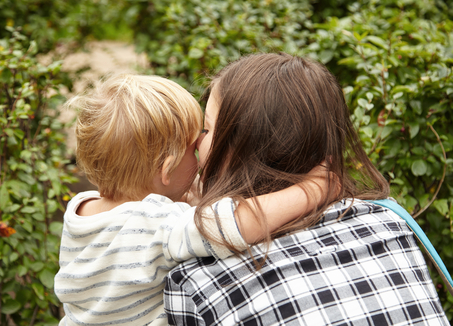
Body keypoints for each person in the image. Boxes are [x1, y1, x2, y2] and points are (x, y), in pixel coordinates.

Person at [164, 53, 449, 325]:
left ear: (243, 148)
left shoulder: (196, 278)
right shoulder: (390, 222)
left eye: (206, 128)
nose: (197, 143)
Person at [54, 74, 332, 326]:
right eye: (193, 147)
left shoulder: (81, 209)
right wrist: (316, 188)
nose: (200, 147)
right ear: (166, 170)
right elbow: (234, 224)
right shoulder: (155, 225)